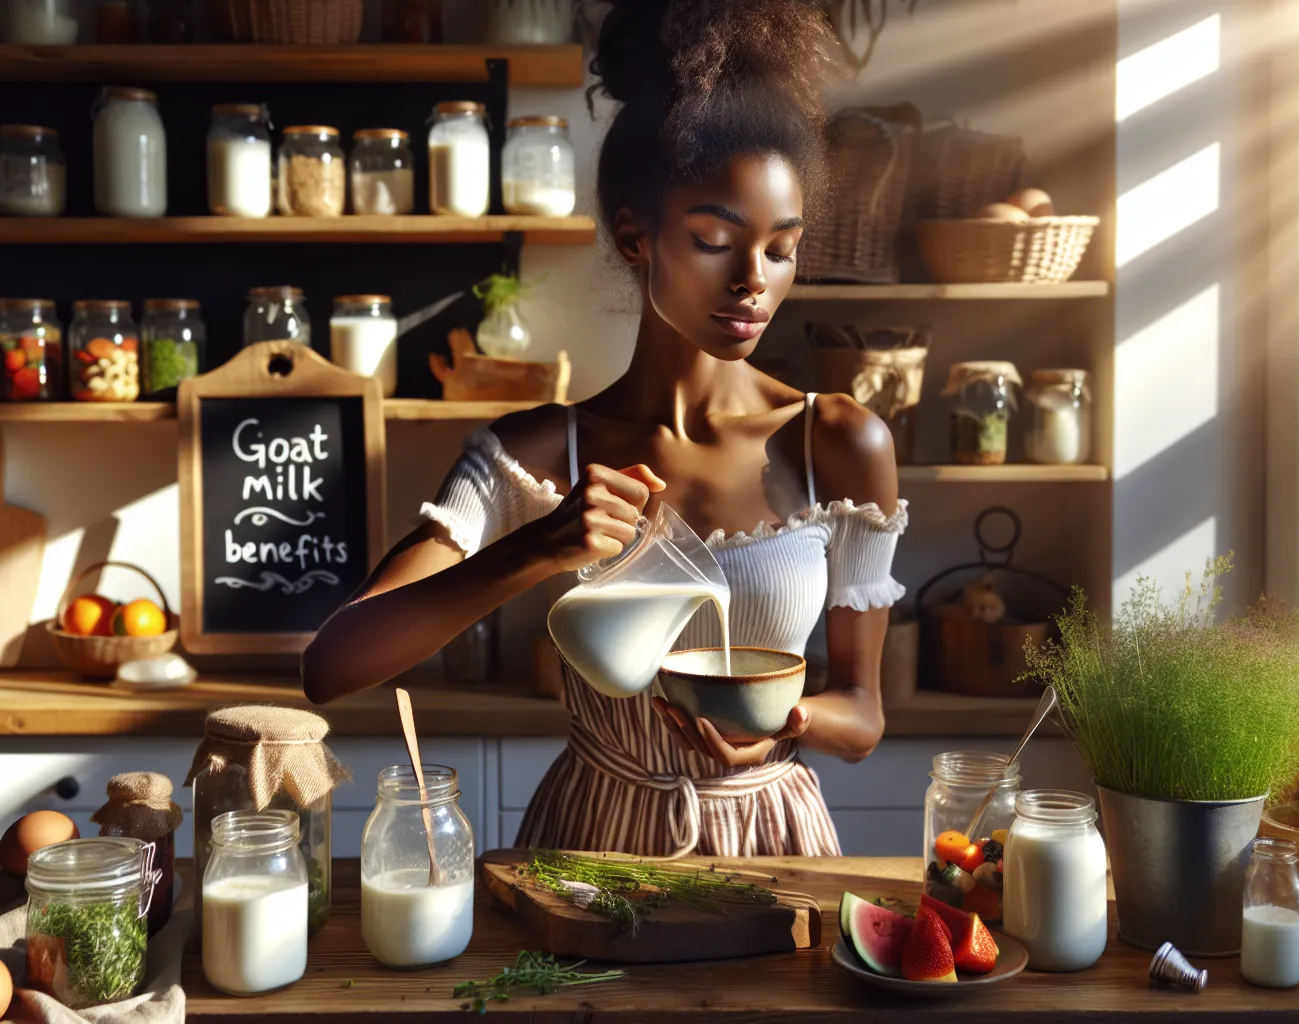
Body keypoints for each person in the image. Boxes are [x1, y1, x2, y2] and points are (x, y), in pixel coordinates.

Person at [304, 0, 905, 858]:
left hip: (773, 845)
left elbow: (865, 716)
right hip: (592, 851)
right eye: (712, 239)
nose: (752, 282)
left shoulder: (838, 445)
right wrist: (535, 548)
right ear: (636, 237)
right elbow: (331, 667)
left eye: (782, 248)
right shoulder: (540, 453)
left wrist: (788, 720)